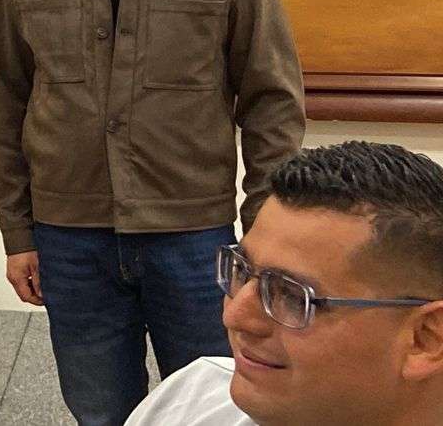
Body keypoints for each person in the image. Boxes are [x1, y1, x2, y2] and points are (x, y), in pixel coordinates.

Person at [0, 0, 307, 426]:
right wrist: (18, 232)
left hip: (192, 238)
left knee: (217, 406)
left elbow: (271, 104)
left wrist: (264, 234)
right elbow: (9, 104)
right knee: (100, 411)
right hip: (69, 241)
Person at [126, 141, 443, 426]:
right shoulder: (189, 402)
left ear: (425, 338)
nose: (235, 317)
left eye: (292, 296)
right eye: (242, 271)